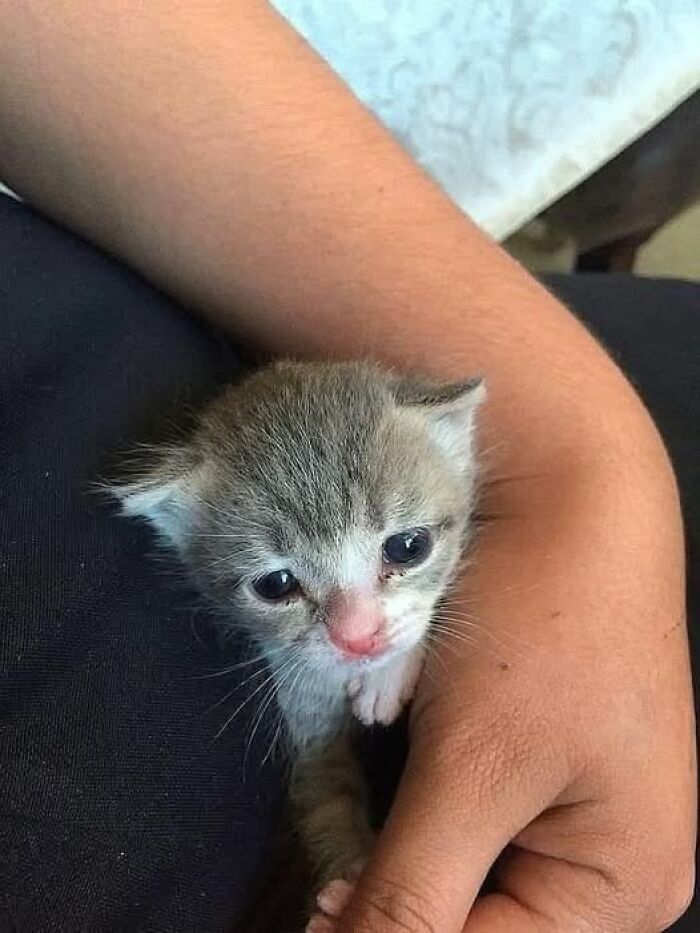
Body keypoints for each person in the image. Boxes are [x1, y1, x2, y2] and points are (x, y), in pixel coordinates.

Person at [0, 3, 696, 931]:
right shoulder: (197, 509)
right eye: (279, 583)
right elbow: (316, 774)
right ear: (180, 528)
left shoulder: (439, 442)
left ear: (457, 442)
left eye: (403, 548)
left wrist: (588, 461)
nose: (360, 630)